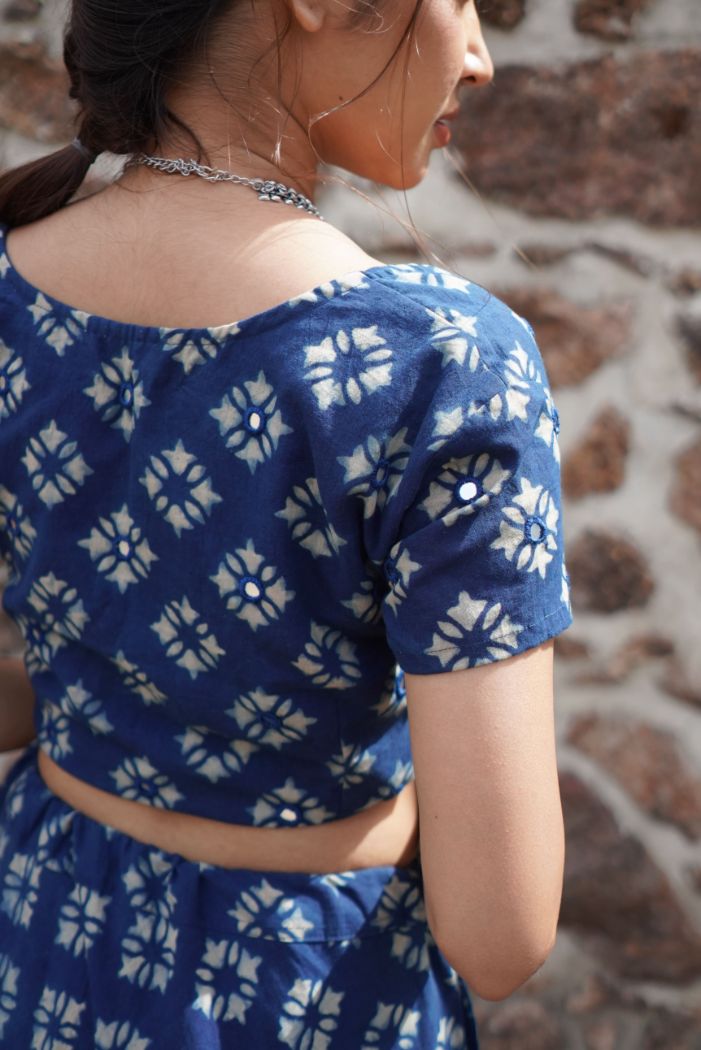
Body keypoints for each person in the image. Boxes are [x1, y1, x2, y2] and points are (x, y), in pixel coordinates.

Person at [0, 0, 573, 1045]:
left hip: (43, 941)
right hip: (303, 988)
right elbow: (499, 934)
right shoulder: (442, 362)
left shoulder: (10, 275)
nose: (480, 57)